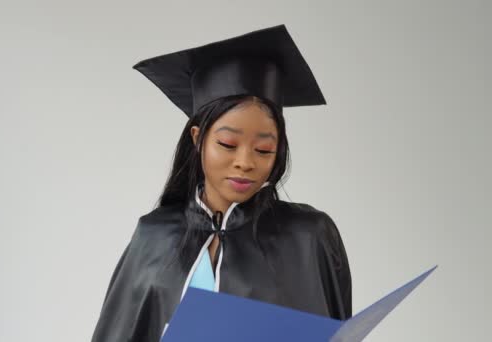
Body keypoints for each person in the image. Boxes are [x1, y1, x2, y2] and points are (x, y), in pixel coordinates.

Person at [91, 24, 352, 342]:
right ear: (198, 137)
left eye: (264, 149)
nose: (245, 162)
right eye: (228, 144)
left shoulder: (308, 235)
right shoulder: (154, 236)